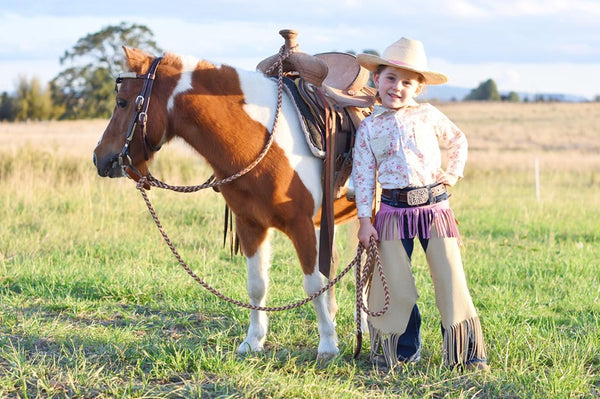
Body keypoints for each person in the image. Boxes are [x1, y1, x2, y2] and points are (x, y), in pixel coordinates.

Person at [353, 37, 489, 371]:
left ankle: (466, 353)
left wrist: (453, 174)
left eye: (407, 82)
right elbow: (363, 176)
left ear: (418, 88)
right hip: (392, 212)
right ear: (376, 79)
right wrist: (364, 220)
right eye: (390, 78)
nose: (397, 87)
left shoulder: (428, 115)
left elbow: (457, 139)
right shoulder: (370, 127)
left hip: (434, 208)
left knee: (449, 276)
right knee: (394, 282)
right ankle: (399, 350)